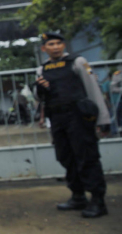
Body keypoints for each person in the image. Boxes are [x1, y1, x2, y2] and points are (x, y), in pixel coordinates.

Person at [34, 32, 111, 218]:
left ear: (64, 46)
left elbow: (93, 89)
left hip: (78, 116)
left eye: (58, 43)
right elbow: (39, 98)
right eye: (51, 44)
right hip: (58, 118)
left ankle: (98, 200)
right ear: (44, 48)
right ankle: (78, 196)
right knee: (66, 157)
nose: (55, 47)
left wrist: (103, 119)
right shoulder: (41, 69)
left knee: (86, 156)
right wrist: (39, 90)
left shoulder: (77, 62)